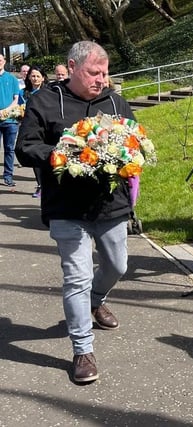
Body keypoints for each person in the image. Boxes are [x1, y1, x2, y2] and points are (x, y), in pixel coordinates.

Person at [16, 41, 134, 383]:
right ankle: (82, 350)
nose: (102, 79)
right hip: (66, 207)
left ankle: (97, 301)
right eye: (94, 72)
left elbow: (133, 140)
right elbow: (26, 147)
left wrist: (125, 156)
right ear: (73, 66)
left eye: (105, 72)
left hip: (109, 205)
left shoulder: (115, 101)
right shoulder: (45, 100)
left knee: (118, 265)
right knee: (76, 277)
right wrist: (64, 153)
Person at [19, 65, 49, 198]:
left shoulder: (49, 93)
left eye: (38, 76)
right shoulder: (24, 93)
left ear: (43, 78)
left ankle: (48, 185)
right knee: (35, 157)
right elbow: (19, 109)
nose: (35, 79)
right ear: (29, 77)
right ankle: (40, 185)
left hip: (46, 129)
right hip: (30, 129)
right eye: (33, 76)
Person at [0, 54, 20, 188]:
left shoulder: (12, 79)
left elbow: (16, 99)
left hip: (10, 120)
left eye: (0, 60)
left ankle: (8, 176)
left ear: (4, 62)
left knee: (9, 149)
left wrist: (4, 111)